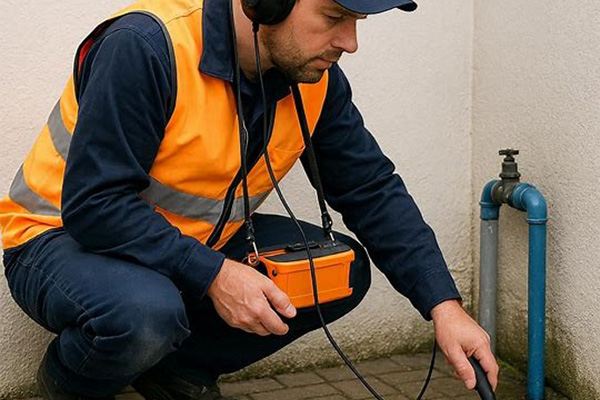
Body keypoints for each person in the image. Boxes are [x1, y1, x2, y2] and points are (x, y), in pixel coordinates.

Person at [0, 0, 499, 399]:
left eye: (357, 22)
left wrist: (443, 306)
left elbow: (370, 188)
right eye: (334, 17)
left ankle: (175, 368)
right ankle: (68, 385)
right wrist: (215, 275)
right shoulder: (145, 46)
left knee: (337, 272)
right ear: (267, 3)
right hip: (59, 238)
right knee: (145, 315)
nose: (350, 42)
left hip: (188, 244)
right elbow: (95, 204)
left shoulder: (313, 78)